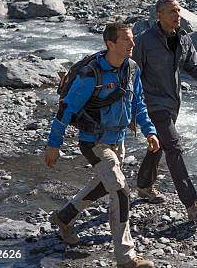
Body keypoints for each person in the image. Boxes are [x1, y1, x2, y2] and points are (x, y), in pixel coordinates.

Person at [45, 23, 159, 268]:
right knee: (120, 191)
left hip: (118, 141)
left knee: (103, 185)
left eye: (133, 40)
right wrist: (53, 145)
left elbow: (138, 103)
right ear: (110, 44)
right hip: (94, 142)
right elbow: (66, 109)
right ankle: (126, 258)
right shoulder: (91, 75)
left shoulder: (132, 69)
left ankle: (64, 217)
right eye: (127, 40)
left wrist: (149, 131)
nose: (132, 45)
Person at [132, 0, 197, 222]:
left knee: (161, 144)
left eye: (178, 11)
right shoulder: (144, 41)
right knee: (174, 148)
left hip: (173, 102)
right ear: (159, 16)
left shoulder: (183, 38)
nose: (177, 16)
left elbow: (194, 65)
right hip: (152, 104)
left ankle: (143, 184)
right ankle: (192, 204)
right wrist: (133, 109)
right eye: (171, 12)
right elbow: (132, 75)